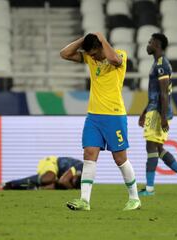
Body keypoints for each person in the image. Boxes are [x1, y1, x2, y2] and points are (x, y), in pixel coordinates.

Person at [60, 33, 141, 211]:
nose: (93, 57)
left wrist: (102, 39)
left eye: (94, 53)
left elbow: (114, 59)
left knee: (120, 158)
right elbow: (64, 54)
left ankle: (134, 198)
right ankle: (84, 201)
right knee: (89, 153)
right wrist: (84, 39)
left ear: (101, 47)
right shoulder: (90, 58)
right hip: (93, 116)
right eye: (90, 54)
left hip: (114, 115)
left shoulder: (120, 55)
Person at [138, 33, 177, 196]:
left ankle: (149, 189)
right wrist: (144, 112)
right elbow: (155, 93)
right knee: (158, 148)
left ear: (157, 44)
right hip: (154, 109)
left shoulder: (162, 65)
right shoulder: (157, 63)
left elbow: (164, 93)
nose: (147, 45)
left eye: (149, 42)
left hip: (158, 112)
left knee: (151, 147)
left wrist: (162, 117)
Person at [2, 156, 83, 190]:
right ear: (78, 175)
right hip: (52, 162)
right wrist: (72, 189)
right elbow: (64, 181)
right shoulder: (81, 166)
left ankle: (20, 187)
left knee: (50, 187)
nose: (71, 180)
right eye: (72, 180)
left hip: (57, 175)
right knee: (49, 178)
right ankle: (11, 183)